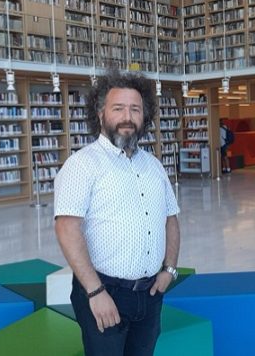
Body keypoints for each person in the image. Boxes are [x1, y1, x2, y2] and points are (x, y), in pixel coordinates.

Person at [54, 70, 181, 356]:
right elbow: (66, 228)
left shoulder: (153, 165)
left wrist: (169, 270)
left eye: (135, 109)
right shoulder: (82, 164)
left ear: (144, 115)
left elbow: (171, 219)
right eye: (118, 108)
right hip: (104, 292)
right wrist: (95, 291)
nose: (127, 117)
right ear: (100, 113)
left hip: (150, 293)